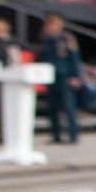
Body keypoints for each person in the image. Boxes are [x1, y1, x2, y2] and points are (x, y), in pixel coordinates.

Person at [37, 15, 81, 145]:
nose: (50, 28)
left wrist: (75, 76)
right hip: (51, 78)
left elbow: (74, 58)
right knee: (53, 108)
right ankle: (56, 134)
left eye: (53, 25)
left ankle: (73, 134)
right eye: (49, 25)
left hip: (65, 77)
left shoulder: (66, 39)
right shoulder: (46, 41)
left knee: (68, 107)